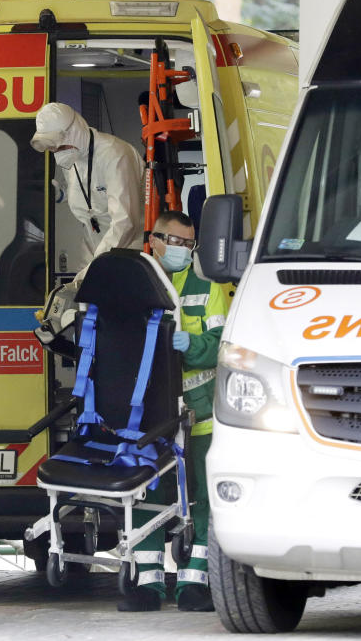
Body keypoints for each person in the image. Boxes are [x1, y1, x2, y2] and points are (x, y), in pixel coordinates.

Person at [117, 211, 227, 614]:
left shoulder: (207, 288)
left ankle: (193, 584)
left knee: (203, 499)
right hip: (150, 418)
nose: (184, 251)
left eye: (189, 244)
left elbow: (221, 344)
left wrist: (192, 344)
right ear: (155, 240)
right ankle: (147, 584)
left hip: (199, 415)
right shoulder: (132, 288)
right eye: (177, 243)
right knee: (149, 495)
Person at [31, 102, 145, 275]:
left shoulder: (114, 154)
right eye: (51, 147)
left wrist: (96, 265)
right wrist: (61, 195)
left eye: (59, 145)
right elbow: (87, 194)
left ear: (74, 133)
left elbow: (126, 222)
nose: (55, 151)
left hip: (130, 248)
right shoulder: (73, 156)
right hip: (94, 243)